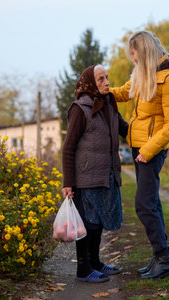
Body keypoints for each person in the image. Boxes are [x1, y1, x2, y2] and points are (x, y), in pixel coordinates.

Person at [110, 30, 169, 279]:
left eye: (134, 54)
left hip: (151, 150)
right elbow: (123, 92)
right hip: (138, 145)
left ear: (144, 52)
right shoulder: (142, 75)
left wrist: (148, 150)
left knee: (143, 205)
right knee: (152, 203)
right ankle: (160, 258)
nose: (133, 60)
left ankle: (164, 260)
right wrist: (99, 91)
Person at [62, 64, 129, 283]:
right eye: (101, 79)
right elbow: (68, 148)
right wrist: (68, 183)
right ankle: (83, 269)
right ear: (90, 83)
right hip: (86, 177)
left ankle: (96, 263)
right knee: (87, 224)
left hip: (106, 174)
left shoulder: (109, 104)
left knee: (98, 222)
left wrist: (151, 134)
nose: (107, 82)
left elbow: (125, 129)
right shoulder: (79, 109)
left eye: (108, 78)